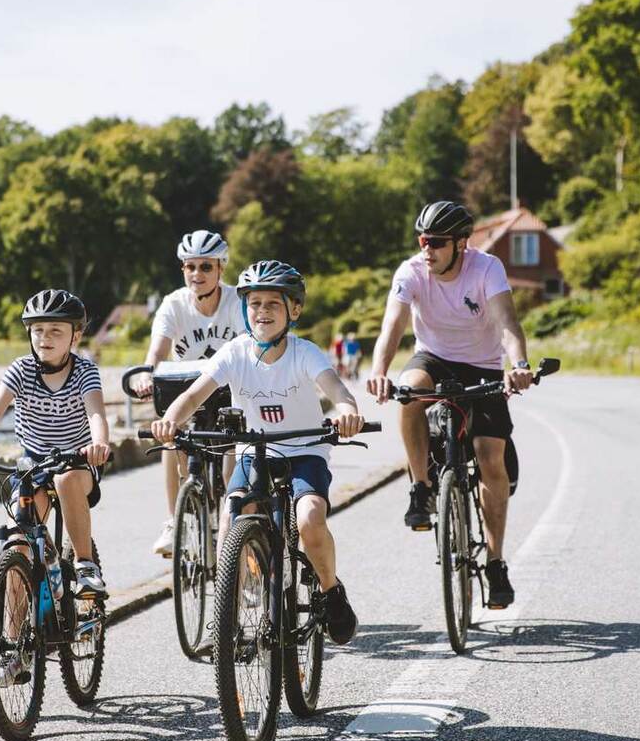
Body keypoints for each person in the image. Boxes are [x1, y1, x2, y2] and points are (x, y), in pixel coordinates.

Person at [151, 260, 364, 645]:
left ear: (293, 310)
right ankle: (230, 608)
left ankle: (331, 590)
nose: (262, 312)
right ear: (245, 310)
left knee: (310, 517)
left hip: (304, 451)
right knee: (233, 518)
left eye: (272, 304)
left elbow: (335, 387)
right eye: (254, 304)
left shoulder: (304, 352)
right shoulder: (235, 352)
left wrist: (348, 410)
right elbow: (193, 394)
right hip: (255, 453)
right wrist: (171, 419)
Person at [365, 201, 535, 610]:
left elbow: (508, 324)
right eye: (423, 241)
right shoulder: (411, 272)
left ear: (461, 243)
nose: (428, 250)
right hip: (433, 358)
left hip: (482, 365)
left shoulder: (486, 268)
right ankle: (421, 488)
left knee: (489, 457)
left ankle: (495, 563)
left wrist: (520, 365)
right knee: (409, 393)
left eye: (437, 243)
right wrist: (378, 370)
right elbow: (393, 325)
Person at [0, 289, 110, 600]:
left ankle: (86, 566)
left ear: (75, 337)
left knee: (67, 479)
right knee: (17, 543)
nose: (45, 337)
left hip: (77, 461)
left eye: (56, 331)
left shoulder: (84, 371)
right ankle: (12, 643)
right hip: (33, 464)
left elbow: (96, 413)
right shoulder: (21, 370)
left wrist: (99, 444)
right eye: (38, 330)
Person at [129, 230, 241, 556]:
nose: (197, 274)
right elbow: (157, 352)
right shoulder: (173, 305)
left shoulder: (237, 302)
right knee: (170, 433)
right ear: (183, 269)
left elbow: (250, 346)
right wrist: (147, 377)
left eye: (206, 267)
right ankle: (173, 519)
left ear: (221, 268)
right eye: (190, 267)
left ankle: (231, 525)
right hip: (187, 389)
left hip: (229, 390)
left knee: (232, 452)